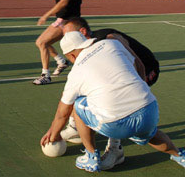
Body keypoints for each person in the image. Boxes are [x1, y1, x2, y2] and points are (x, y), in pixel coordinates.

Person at [40, 31, 185, 173]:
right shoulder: (111, 44)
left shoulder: (75, 73)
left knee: (78, 102)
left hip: (115, 124)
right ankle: (181, 156)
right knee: (150, 134)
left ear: (71, 56)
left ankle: (91, 156)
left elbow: (63, 113)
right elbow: (139, 65)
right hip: (149, 109)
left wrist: (53, 135)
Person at [59, 17, 160, 147]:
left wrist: (142, 89)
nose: (66, 38)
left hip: (147, 69)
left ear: (82, 32)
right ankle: (75, 127)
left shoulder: (109, 39)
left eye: (69, 34)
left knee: (118, 98)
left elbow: (138, 65)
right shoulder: (87, 48)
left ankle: (115, 147)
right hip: (133, 71)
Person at [33, 0, 82, 85]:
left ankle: (46, 75)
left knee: (42, 42)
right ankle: (61, 61)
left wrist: (46, 15)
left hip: (68, 22)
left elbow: (64, 2)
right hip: (62, 20)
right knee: (42, 42)